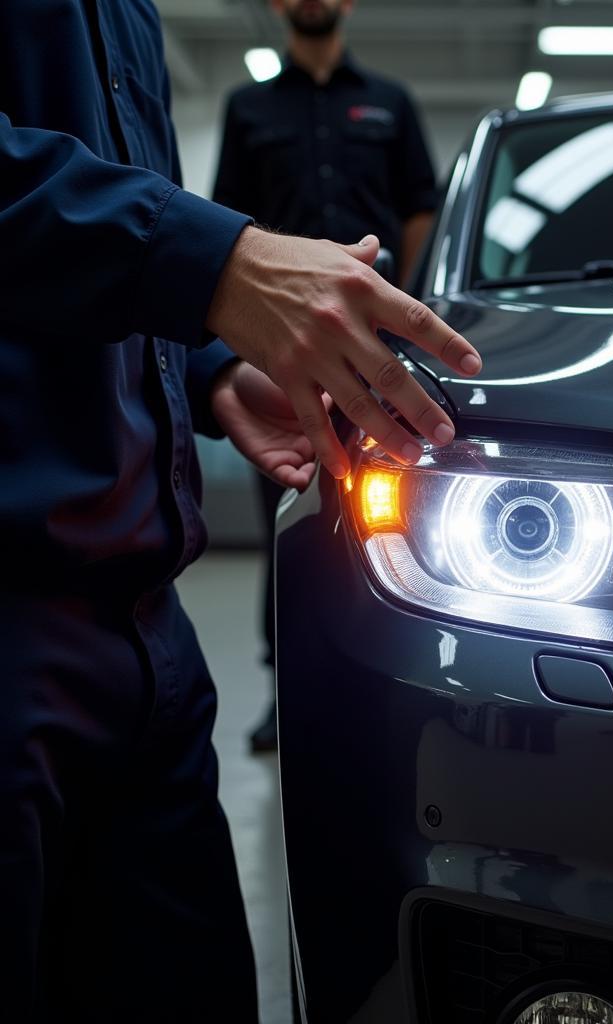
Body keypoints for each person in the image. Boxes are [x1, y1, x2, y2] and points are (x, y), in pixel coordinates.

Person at [0, 1, 480, 1020]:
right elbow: (175, 229)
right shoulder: (255, 106)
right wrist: (217, 266)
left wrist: (205, 367)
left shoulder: (129, 13)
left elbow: (119, 221)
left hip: (145, 621)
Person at [214, 0, 439, 752]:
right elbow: (227, 222)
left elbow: (418, 211)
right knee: (293, 519)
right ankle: (286, 693)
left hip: (378, 346)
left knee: (388, 505)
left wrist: (404, 298)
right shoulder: (248, 107)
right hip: (279, 349)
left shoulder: (390, 101)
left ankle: (384, 683)